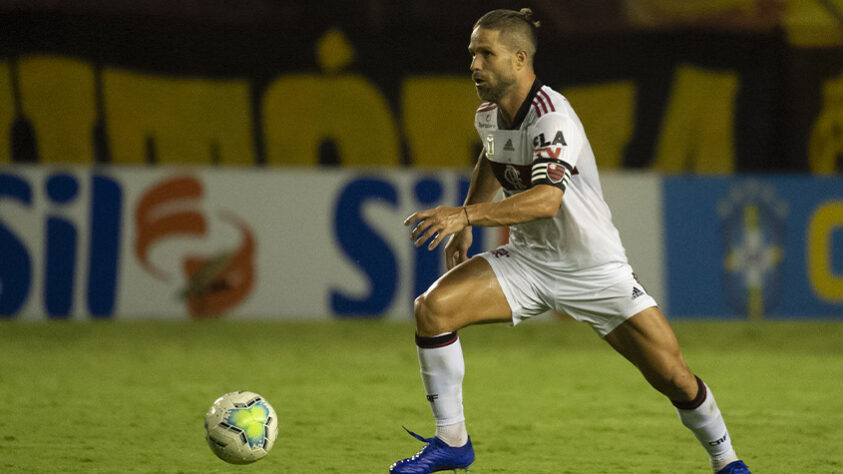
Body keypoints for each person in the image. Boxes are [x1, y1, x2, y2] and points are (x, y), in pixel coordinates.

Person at [390, 8, 751, 474]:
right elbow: (492, 157)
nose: (474, 65)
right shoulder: (489, 115)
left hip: (595, 269)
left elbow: (545, 201)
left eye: (486, 54)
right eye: (471, 54)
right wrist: (468, 223)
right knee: (432, 309)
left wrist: (462, 214)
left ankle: (727, 462)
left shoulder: (551, 115)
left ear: (520, 59)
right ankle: (452, 441)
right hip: (529, 262)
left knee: (674, 378)